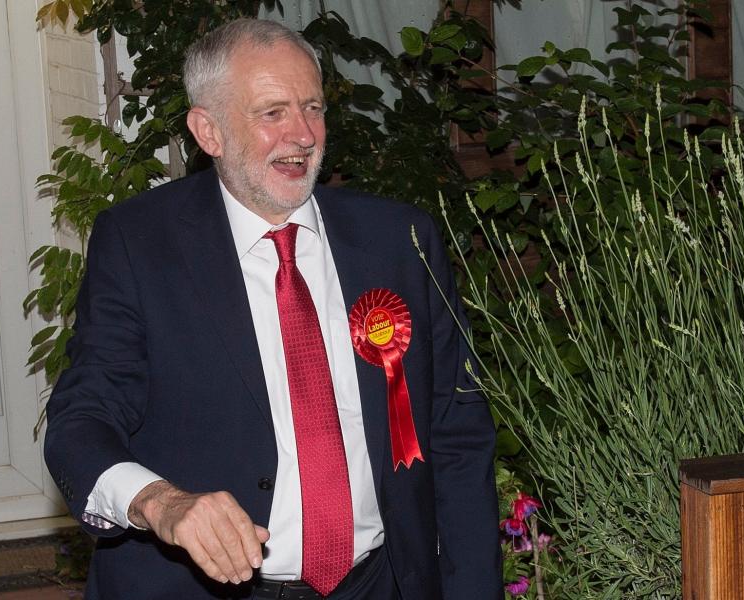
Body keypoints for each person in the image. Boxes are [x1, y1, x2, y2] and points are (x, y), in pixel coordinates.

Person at [44, 17, 500, 600]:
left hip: (381, 584)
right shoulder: (139, 246)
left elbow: (456, 434)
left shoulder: (398, 241)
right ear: (208, 130)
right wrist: (163, 503)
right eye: (272, 113)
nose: (304, 134)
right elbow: (81, 421)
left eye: (313, 108)